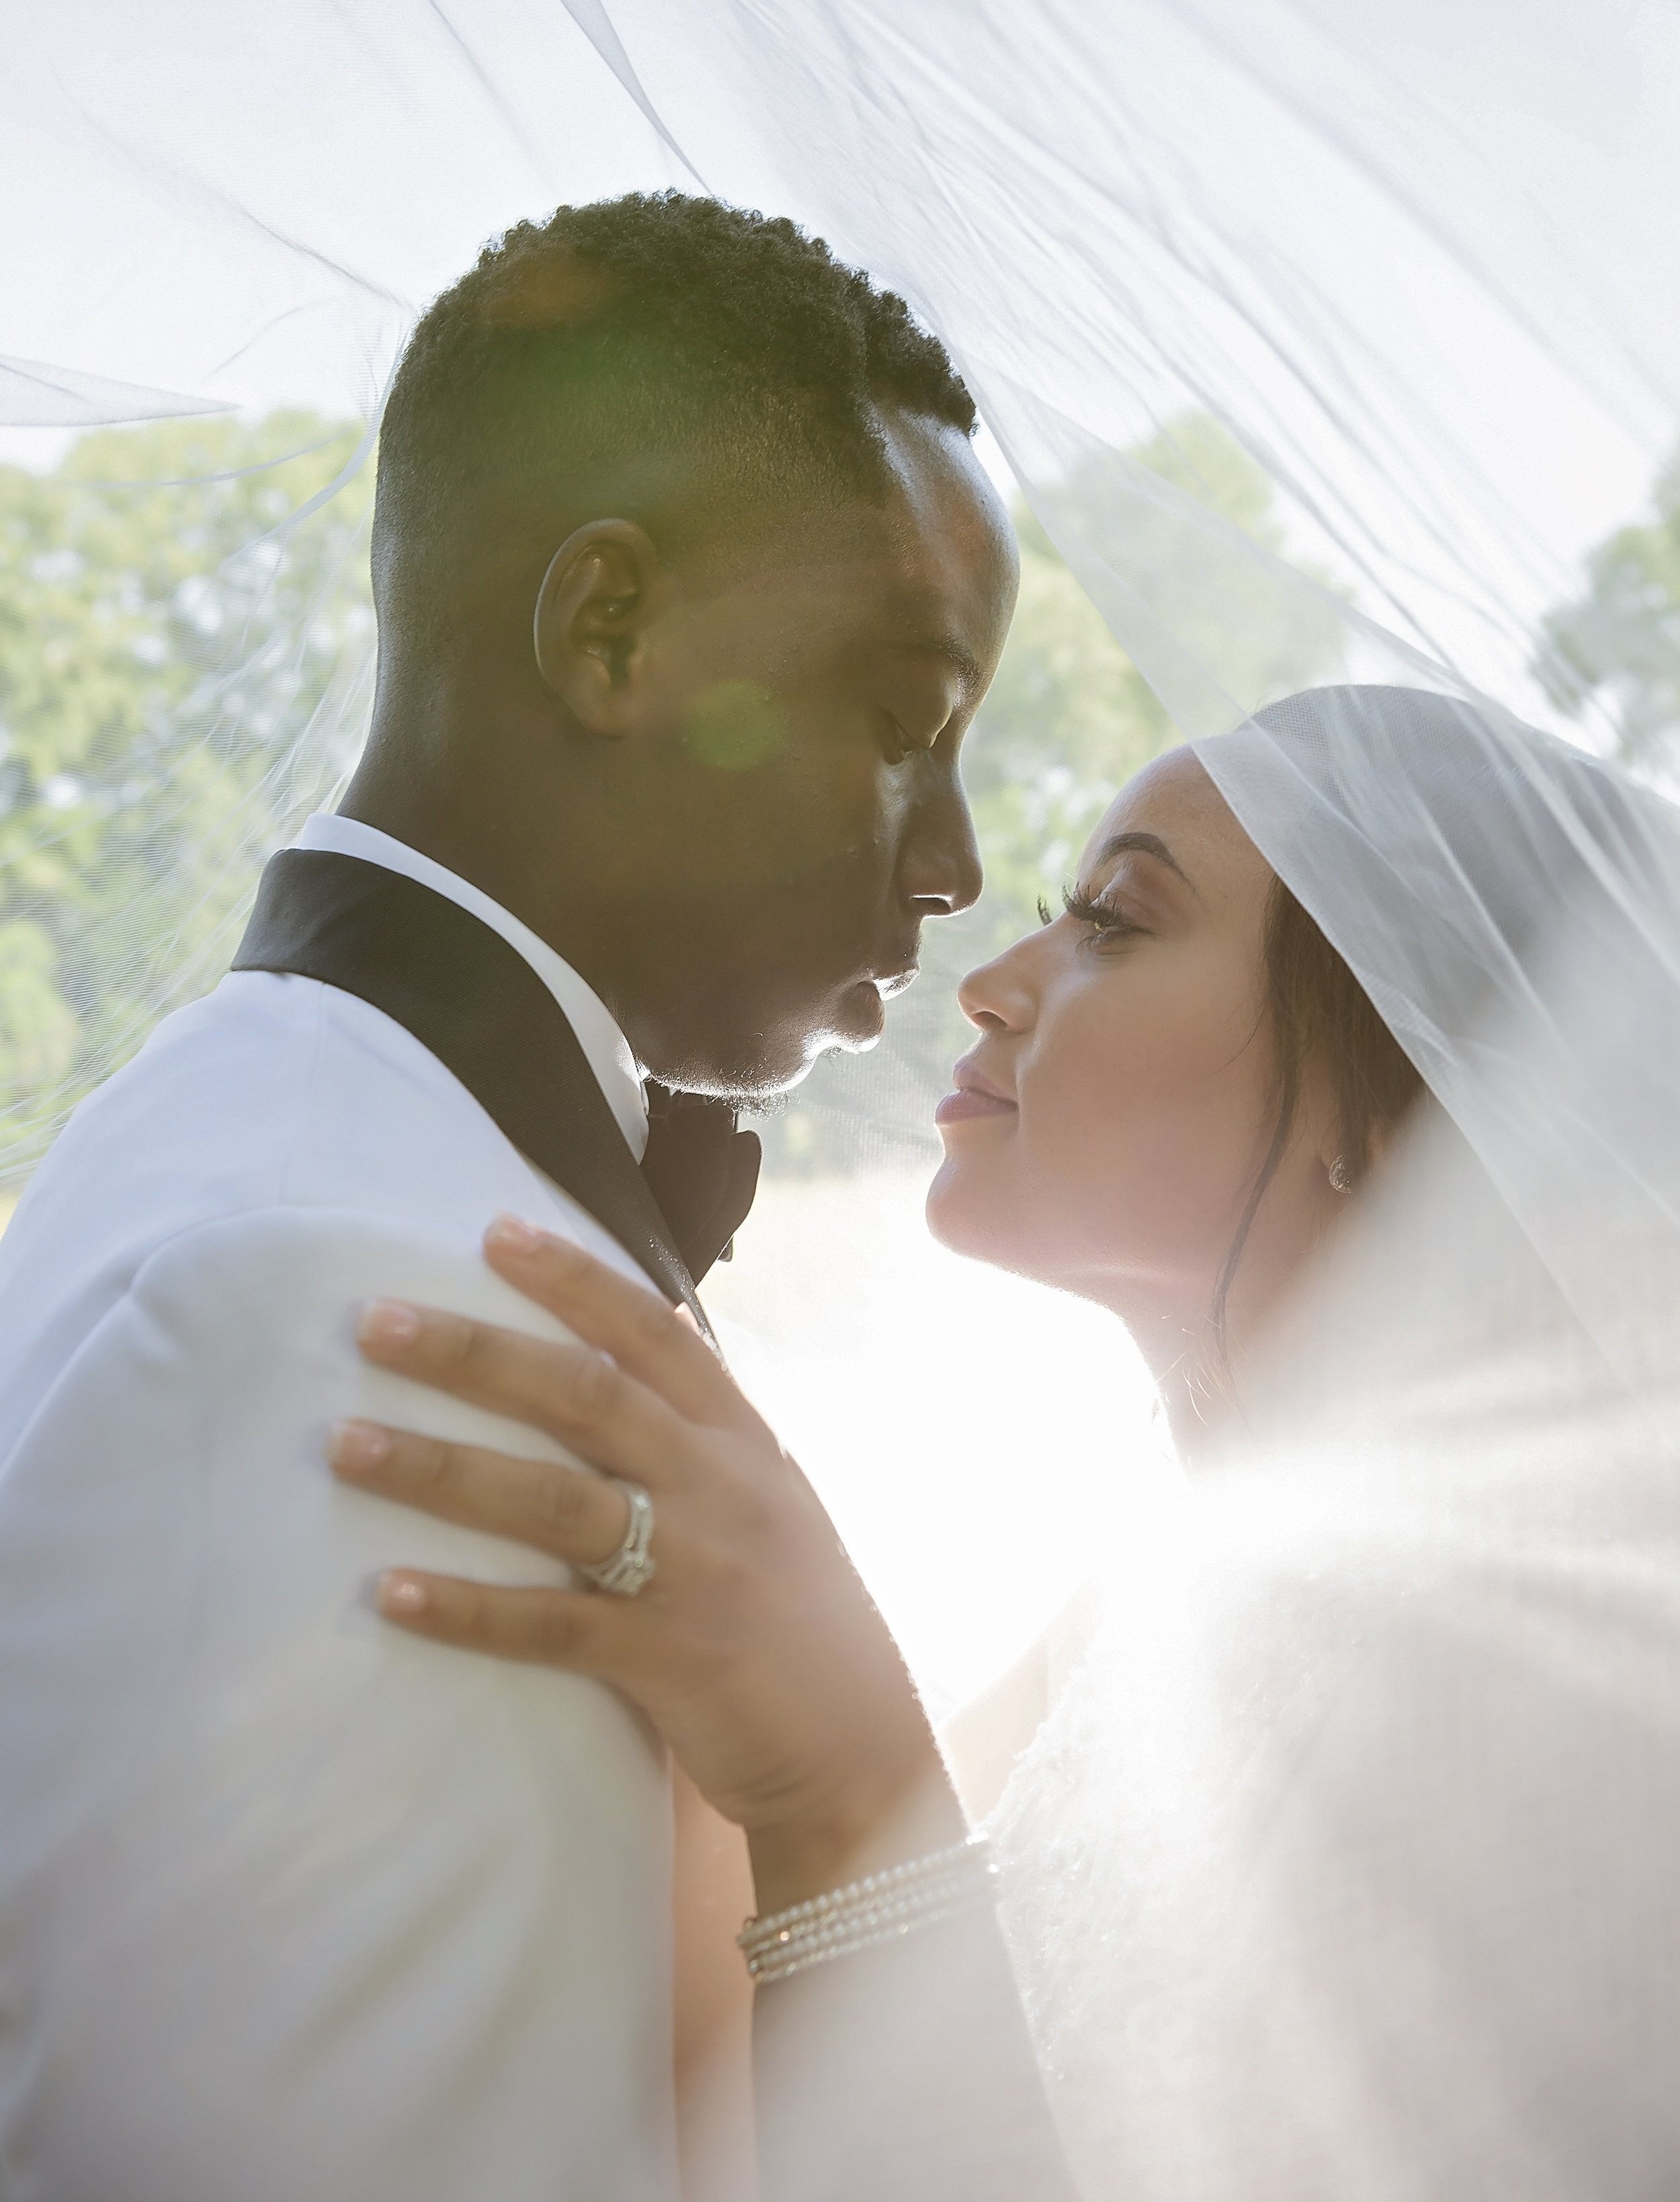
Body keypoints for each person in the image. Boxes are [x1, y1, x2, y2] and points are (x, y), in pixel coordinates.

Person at [0, 192, 1019, 2201]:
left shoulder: (239, 1133)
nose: (960, 861)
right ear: (609, 629)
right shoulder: (364, 1309)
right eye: (905, 724)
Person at [333, 683, 1680, 2198]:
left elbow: (856, 1889)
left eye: (1115, 920)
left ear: (1392, 1101)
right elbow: (753, 2093)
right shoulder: (1163, 1596)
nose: (988, 982)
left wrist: (834, 1781)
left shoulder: (1548, 1697)